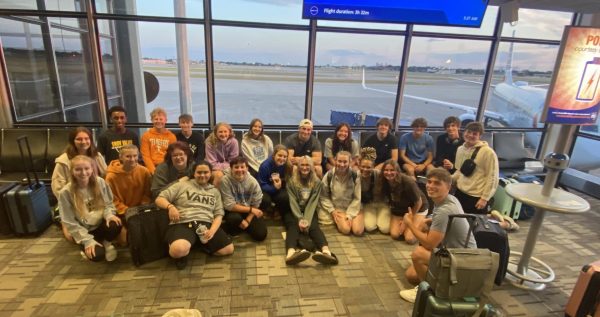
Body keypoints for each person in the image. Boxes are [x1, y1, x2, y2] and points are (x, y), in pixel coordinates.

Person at [399, 168, 476, 303]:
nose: (431, 186)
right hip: (460, 253)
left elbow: (430, 244)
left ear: (448, 186)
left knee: (417, 254)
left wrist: (409, 223)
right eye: (429, 182)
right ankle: (442, 282)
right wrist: (429, 221)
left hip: (462, 261)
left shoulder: (444, 210)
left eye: (437, 183)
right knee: (411, 275)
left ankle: (428, 293)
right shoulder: (449, 199)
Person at [155, 161, 234, 269]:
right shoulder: (182, 185)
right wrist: (171, 207)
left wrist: (212, 231)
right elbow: (159, 199)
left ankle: (197, 244)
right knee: (177, 251)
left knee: (228, 249)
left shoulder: (215, 191)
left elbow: (219, 214)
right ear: (194, 173)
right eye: (199, 172)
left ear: (211, 173)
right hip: (183, 222)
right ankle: (183, 252)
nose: (202, 175)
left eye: (206, 172)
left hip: (205, 223)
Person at [58, 155, 122, 262]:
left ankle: (106, 244)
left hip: (100, 224)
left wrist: (109, 215)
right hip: (84, 229)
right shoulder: (66, 192)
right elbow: (69, 221)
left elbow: (109, 204)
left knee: (116, 223)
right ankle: (87, 246)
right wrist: (87, 241)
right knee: (98, 256)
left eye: (86, 168)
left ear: (92, 169)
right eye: (78, 169)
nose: (83, 173)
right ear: (72, 171)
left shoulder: (100, 182)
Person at [52, 127, 108, 242]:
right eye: (79, 139)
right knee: (71, 237)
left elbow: (105, 175)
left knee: (108, 223)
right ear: (73, 141)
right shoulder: (63, 160)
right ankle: (64, 221)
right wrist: (75, 198)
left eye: (87, 138)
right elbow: (57, 187)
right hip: (74, 200)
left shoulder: (96, 156)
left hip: (95, 198)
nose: (83, 142)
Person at [285, 156, 338, 265]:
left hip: (310, 210)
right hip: (293, 211)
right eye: (302, 165)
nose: (305, 167)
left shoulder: (317, 182)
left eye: (307, 165)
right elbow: (292, 201)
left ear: (312, 167)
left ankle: (326, 252)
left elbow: (312, 202)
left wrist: (306, 220)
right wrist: (300, 218)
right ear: (298, 167)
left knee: (314, 227)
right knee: (293, 227)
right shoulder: (291, 181)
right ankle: (290, 254)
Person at [104, 144, 152, 245]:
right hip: (122, 212)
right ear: (121, 157)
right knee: (125, 241)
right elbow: (112, 200)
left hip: (140, 210)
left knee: (146, 237)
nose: (132, 159)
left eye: (135, 156)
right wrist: (127, 212)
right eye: (128, 156)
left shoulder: (144, 171)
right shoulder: (111, 176)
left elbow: (147, 193)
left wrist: (142, 207)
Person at [375, 159, 428, 244]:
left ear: (397, 171)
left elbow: (419, 202)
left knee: (409, 239)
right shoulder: (383, 181)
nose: (389, 173)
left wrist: (406, 221)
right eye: (386, 170)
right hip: (400, 209)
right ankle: (411, 226)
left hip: (417, 208)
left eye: (392, 170)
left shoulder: (408, 181)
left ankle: (424, 225)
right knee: (395, 234)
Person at [452, 122, 499, 214]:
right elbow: (459, 171)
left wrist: (485, 198)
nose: (470, 135)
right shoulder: (460, 149)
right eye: (468, 132)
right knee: (458, 221)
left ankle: (506, 223)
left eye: (475, 134)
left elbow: (492, 177)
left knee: (474, 225)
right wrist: (448, 181)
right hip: (460, 192)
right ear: (464, 132)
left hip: (476, 196)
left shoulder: (488, 152)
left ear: (479, 136)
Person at [219, 156, 267, 241]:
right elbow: (229, 205)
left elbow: (257, 202)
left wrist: (248, 220)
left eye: (242, 167)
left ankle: (243, 226)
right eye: (236, 167)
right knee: (234, 219)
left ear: (247, 168)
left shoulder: (253, 182)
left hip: (249, 209)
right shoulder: (225, 181)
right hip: (234, 211)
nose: (239, 170)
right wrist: (251, 210)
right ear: (231, 168)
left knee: (261, 235)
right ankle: (237, 227)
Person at [318, 151, 363, 235]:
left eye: (345, 162)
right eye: (340, 161)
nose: (342, 164)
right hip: (338, 209)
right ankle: (339, 220)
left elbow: (357, 198)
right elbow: (323, 196)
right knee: (346, 230)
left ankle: (357, 216)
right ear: (335, 160)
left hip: (353, 207)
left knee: (358, 231)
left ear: (350, 162)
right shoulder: (329, 175)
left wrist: (349, 215)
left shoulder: (355, 175)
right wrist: (332, 211)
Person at [359, 147, 391, 234]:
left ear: (373, 167)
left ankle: (383, 218)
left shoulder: (379, 175)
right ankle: (376, 219)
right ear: (359, 166)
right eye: (363, 167)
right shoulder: (357, 176)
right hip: (368, 204)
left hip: (382, 203)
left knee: (385, 229)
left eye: (368, 167)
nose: (365, 170)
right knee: (370, 227)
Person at [257, 144, 291, 219]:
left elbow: (286, 180)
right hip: (265, 189)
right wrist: (274, 188)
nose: (282, 158)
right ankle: (266, 210)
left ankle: (278, 210)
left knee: (286, 197)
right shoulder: (265, 166)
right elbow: (261, 184)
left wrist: (281, 183)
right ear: (273, 155)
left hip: (279, 189)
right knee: (264, 199)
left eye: (285, 157)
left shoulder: (287, 165)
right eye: (279, 155)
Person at [140, 107, 177, 174]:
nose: (158, 121)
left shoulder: (172, 137)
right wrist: (153, 171)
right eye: (156, 119)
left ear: (165, 120)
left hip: (167, 167)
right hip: (152, 167)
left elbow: (173, 154)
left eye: (161, 119)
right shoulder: (146, 136)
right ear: (152, 120)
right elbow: (145, 156)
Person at [205, 122, 239, 187]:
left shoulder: (234, 142)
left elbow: (233, 161)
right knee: (219, 175)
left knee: (242, 173)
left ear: (229, 132)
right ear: (216, 133)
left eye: (225, 131)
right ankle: (216, 196)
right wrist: (225, 169)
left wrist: (226, 168)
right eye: (220, 132)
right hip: (212, 169)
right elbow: (212, 163)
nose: (223, 134)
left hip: (229, 168)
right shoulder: (209, 142)